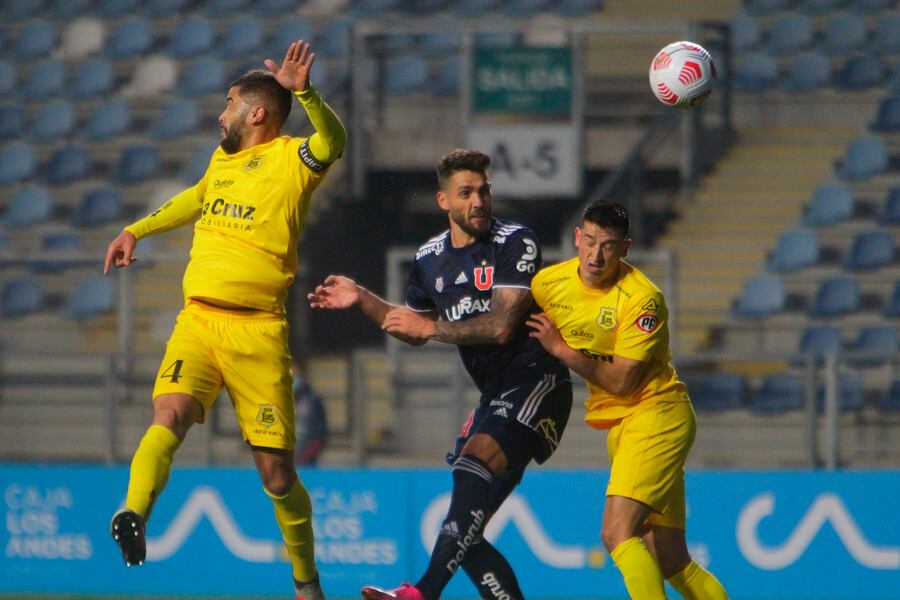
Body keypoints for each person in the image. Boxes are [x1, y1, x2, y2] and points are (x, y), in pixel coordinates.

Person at [104, 40, 346, 600]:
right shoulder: (220, 162)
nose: (221, 113)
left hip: (257, 331)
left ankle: (306, 582)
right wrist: (136, 229)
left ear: (256, 112)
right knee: (170, 411)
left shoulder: (292, 160)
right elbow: (194, 198)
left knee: (278, 478)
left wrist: (304, 91)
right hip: (199, 322)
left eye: (230, 102)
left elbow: (334, 141)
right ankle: (133, 512)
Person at [308, 149, 573, 600]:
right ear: (443, 201)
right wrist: (364, 300)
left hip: (538, 379)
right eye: (466, 192)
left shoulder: (516, 241)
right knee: (463, 533)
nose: (479, 201)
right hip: (495, 395)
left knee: (472, 468)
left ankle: (422, 593)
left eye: (484, 190)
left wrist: (431, 328)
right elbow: (413, 329)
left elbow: (503, 325)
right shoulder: (430, 258)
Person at [527, 201, 729, 600]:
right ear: (576, 239)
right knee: (673, 562)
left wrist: (562, 351)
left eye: (608, 245)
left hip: (657, 416)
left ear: (626, 249)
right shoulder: (549, 284)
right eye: (589, 241)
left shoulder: (642, 300)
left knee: (616, 532)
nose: (595, 255)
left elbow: (621, 381)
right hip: (623, 426)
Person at [291, 358, 328, 466]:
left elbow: (319, 434)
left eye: (294, 375)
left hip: (304, 464)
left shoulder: (311, 402)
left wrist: (302, 458)